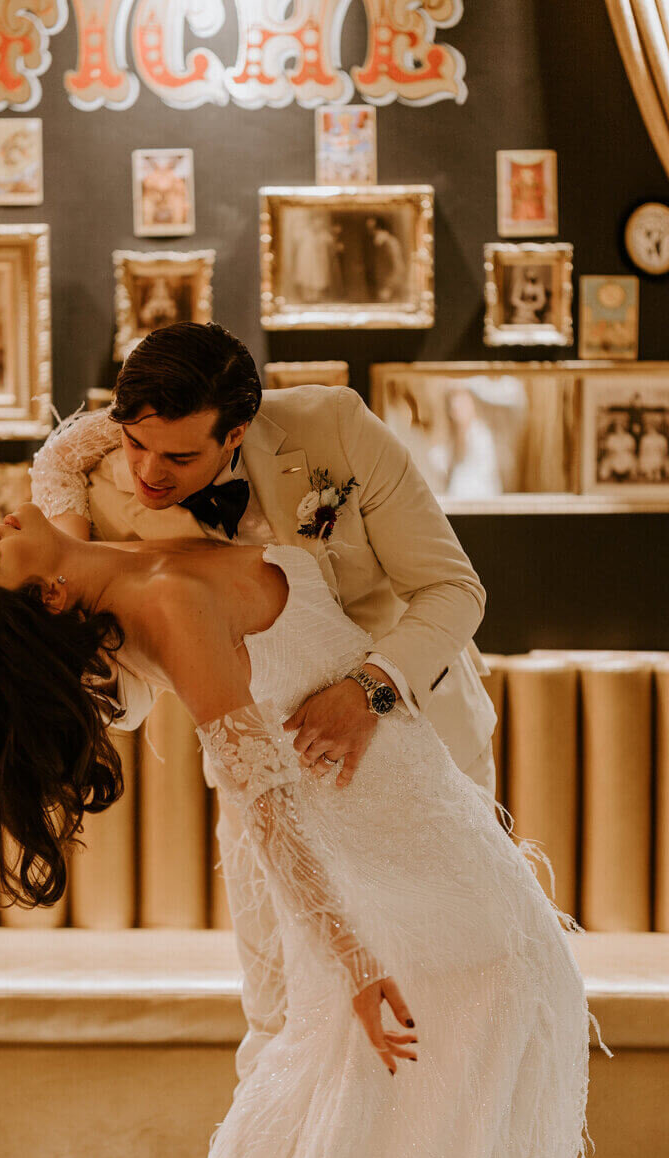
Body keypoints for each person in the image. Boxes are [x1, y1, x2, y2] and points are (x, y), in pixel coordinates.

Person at [0, 498, 608, 1158]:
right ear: (50, 596)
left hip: (432, 840)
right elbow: (262, 801)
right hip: (403, 883)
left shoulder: (113, 545)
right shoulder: (166, 603)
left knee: (418, 1126)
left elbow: (71, 464)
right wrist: (353, 960)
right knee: (398, 1139)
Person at [27, 321, 500, 1082]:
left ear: (237, 431)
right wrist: (64, 663)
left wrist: (365, 692)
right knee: (282, 1018)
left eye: (179, 456)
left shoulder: (334, 428)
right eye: (134, 442)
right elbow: (138, 697)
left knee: (446, 991)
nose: (147, 472)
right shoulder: (99, 500)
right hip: (263, 781)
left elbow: (453, 590)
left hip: (415, 750)